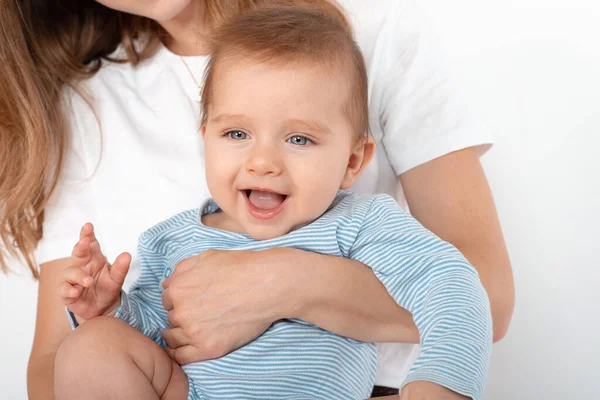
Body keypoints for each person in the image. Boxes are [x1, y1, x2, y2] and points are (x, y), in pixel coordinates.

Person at [0, 0, 514, 399]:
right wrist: (110, 311)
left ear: (354, 162)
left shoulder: (362, 38)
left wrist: (283, 284)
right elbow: (73, 355)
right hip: (182, 390)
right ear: (203, 135)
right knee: (91, 346)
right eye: (235, 135)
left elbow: (476, 291)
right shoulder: (86, 110)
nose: (262, 163)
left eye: (299, 139)